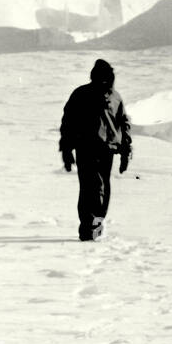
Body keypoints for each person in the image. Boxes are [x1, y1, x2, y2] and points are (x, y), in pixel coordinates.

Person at [59, 59, 132, 241]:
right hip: (86, 148)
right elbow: (68, 122)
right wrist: (66, 149)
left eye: (108, 76)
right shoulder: (81, 94)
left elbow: (123, 124)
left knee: (102, 187)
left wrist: (125, 150)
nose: (105, 79)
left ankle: (96, 225)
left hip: (108, 149)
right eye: (102, 75)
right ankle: (88, 228)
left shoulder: (115, 97)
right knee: (91, 187)